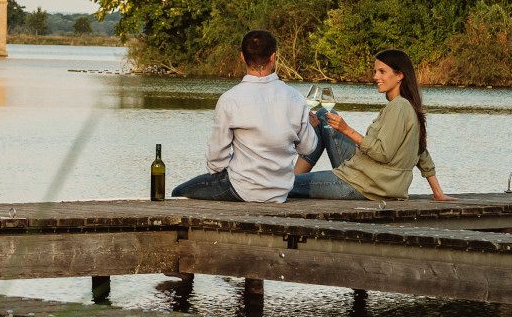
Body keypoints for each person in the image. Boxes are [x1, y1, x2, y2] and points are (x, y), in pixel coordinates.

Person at [170, 29, 309, 203]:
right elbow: (308, 148)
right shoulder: (295, 97)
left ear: (242, 57)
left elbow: (216, 159)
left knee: (178, 192)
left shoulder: (230, 99)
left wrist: (228, 171)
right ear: (273, 57)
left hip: (241, 187)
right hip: (280, 191)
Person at [290, 49, 444, 202]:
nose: (376, 76)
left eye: (382, 72)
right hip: (372, 178)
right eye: (375, 71)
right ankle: (294, 176)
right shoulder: (406, 105)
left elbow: (383, 153)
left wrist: (346, 129)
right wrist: (437, 192)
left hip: (367, 186)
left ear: (399, 75)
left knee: (282, 185)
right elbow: (421, 151)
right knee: (324, 114)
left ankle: (289, 179)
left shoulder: (399, 107)